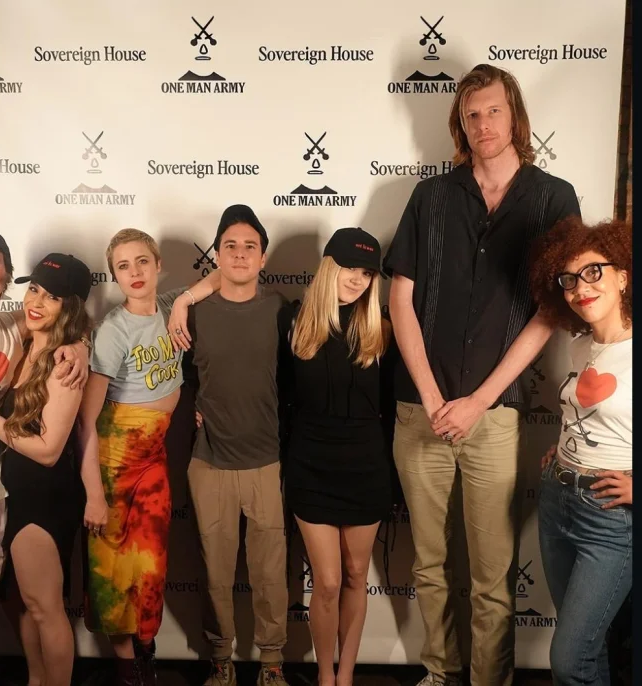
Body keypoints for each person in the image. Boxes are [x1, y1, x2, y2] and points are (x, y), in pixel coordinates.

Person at [382, 64, 581, 686]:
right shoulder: (431, 196)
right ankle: (439, 674)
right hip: (419, 411)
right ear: (459, 125)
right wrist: (434, 397)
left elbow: (550, 312)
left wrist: (477, 401)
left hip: (494, 418)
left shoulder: (554, 198)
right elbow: (399, 298)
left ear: (514, 116)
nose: (483, 124)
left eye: (493, 111)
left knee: (493, 576)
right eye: (471, 115)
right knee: (429, 566)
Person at [0, 229, 89, 686]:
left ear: (5, 274)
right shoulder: (13, 335)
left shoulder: (32, 342)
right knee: (22, 604)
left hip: (7, 498)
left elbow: (49, 449)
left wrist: (80, 346)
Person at [78, 228, 220, 686]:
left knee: (151, 563)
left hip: (154, 455)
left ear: (158, 265)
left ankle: (145, 650)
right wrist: (94, 494)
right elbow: (86, 421)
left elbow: (221, 276)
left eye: (142, 261)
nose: (135, 272)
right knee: (114, 570)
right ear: (114, 276)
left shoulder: (169, 304)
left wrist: (182, 303)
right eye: (123, 266)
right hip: (114, 461)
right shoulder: (113, 331)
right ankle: (128, 670)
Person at [184, 204, 290, 686]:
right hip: (210, 462)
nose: (241, 254)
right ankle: (220, 658)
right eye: (230, 246)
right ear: (217, 256)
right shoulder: (191, 313)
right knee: (215, 572)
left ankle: (272, 661)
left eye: (251, 246)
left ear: (263, 257)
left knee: (270, 572)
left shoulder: (280, 311)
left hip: (266, 460)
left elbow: (295, 381)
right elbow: (174, 378)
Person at [283, 227, 392, 686]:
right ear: (329, 266)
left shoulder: (381, 328)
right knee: (326, 581)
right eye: (350, 267)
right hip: (310, 467)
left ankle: (344, 677)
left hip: (366, 469)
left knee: (355, 574)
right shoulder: (292, 321)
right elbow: (278, 396)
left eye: (367, 273)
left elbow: (391, 408)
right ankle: (325, 676)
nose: (357, 279)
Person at [530, 217, 632, 686]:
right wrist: (566, 448)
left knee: (570, 661)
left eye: (593, 272)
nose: (580, 288)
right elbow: (586, 412)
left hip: (610, 518)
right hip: (557, 501)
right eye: (569, 280)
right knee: (591, 649)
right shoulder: (579, 347)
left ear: (623, 276)